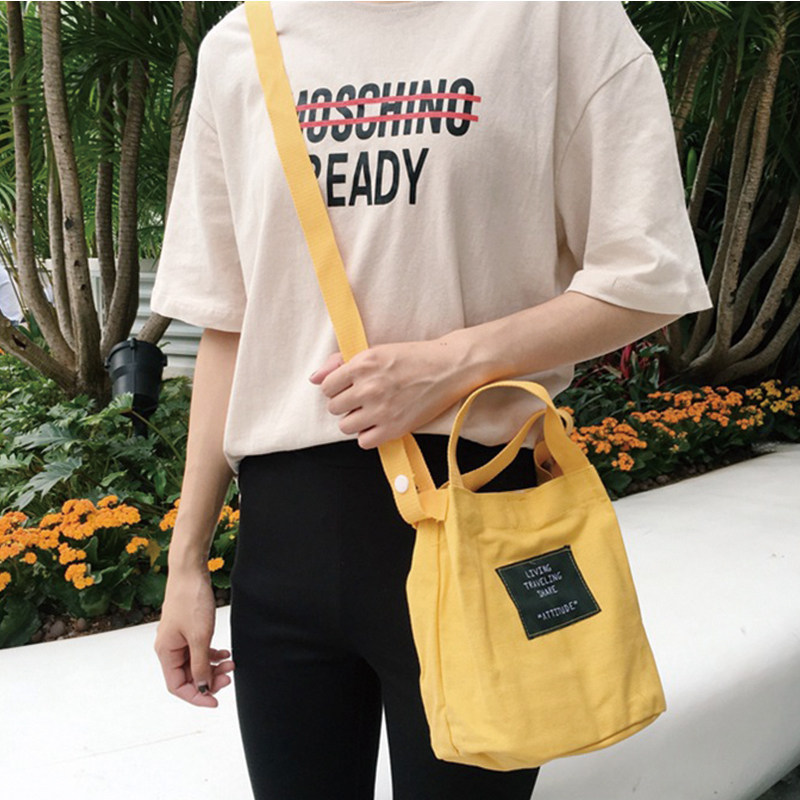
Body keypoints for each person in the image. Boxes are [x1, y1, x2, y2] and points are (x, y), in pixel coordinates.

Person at [150, 2, 713, 798]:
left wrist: (452, 364)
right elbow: (230, 325)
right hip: (285, 551)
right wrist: (186, 565)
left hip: (481, 518)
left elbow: (649, 278)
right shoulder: (244, 44)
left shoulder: (555, 21)